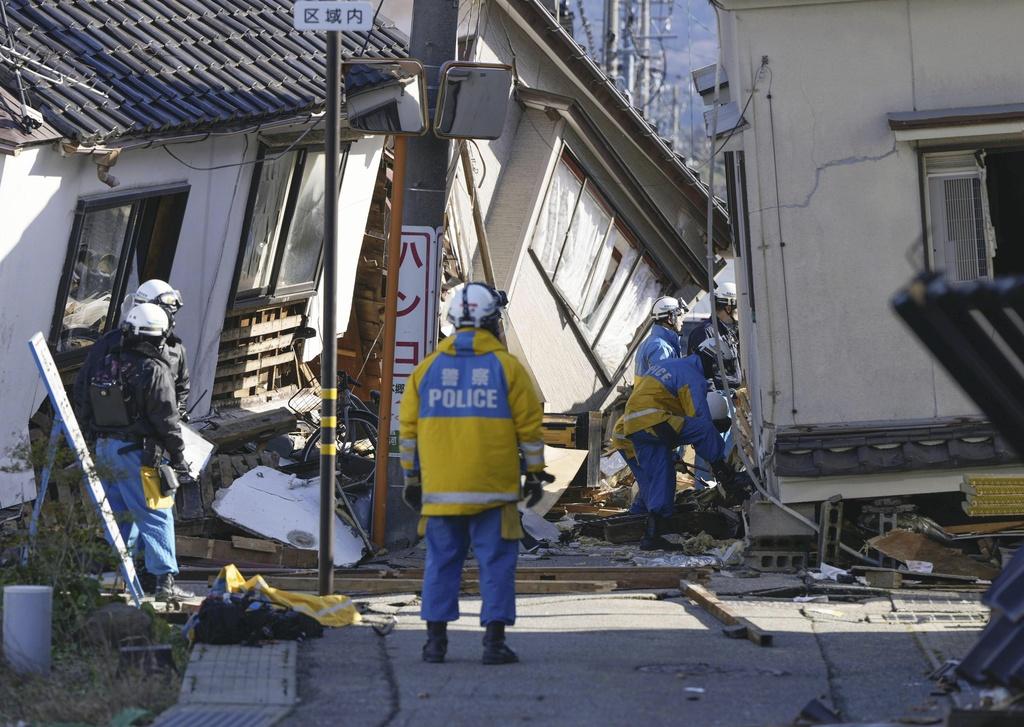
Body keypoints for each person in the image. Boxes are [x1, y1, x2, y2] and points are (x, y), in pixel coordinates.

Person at [399, 282, 553, 665]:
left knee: (441, 563)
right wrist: (534, 473)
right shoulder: (507, 368)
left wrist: (412, 479)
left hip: (440, 493)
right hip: (493, 492)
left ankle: (435, 644)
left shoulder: (427, 370)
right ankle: (493, 644)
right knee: (496, 565)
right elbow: (530, 428)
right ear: (491, 322)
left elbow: (408, 431)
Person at [73, 303, 195, 601]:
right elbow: (166, 420)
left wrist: (92, 438)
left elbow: (83, 400)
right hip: (137, 455)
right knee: (157, 514)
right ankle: (163, 583)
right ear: (159, 336)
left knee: (119, 516)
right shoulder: (154, 369)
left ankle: (121, 577)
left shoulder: (105, 360)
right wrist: (179, 458)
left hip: (104, 449)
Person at [621, 353, 736, 550]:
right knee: (702, 429)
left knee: (661, 476)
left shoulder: (673, 364)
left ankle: (652, 534)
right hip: (653, 420)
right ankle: (724, 473)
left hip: (634, 423)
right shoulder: (693, 376)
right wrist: (718, 463)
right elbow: (700, 417)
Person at [78, 279, 191, 420]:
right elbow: (83, 386)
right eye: (167, 313)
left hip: (156, 436)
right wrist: (88, 427)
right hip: (113, 434)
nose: (171, 319)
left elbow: (182, 388)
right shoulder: (112, 343)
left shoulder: (176, 349)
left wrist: (177, 416)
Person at [687, 281, 741, 390]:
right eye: (738, 308)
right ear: (728, 308)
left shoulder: (729, 332)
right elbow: (703, 375)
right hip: (718, 401)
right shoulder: (705, 333)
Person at [635, 296, 686, 376]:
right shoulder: (660, 347)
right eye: (679, 316)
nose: (682, 321)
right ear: (670, 318)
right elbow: (664, 384)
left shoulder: (653, 342)